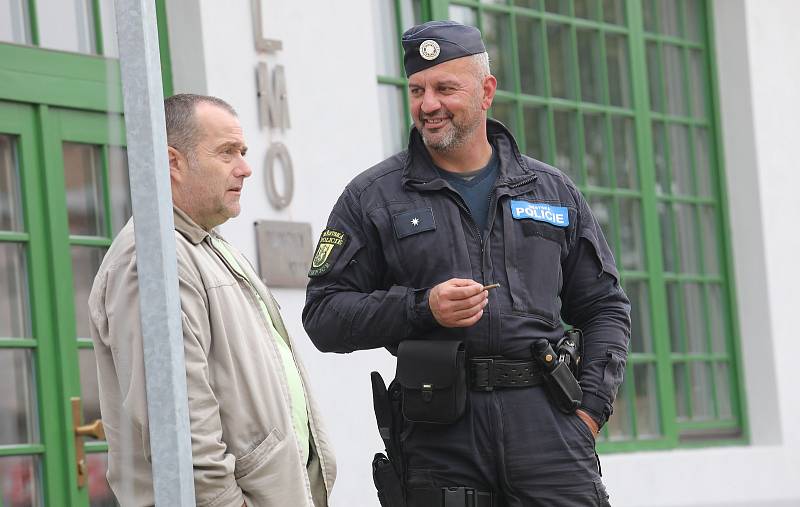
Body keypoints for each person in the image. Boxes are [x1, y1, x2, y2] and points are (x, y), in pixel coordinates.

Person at [303, 21, 629, 507]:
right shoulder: (373, 197)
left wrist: (589, 412)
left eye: (444, 88)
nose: (428, 104)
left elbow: (605, 306)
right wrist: (421, 308)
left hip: (548, 429)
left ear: (486, 92)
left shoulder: (551, 191)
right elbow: (324, 316)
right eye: (417, 90)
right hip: (438, 435)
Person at [89, 94, 335, 507]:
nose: (245, 168)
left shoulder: (205, 244)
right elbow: (182, 427)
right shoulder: (150, 258)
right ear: (173, 162)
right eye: (227, 153)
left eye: (242, 151)